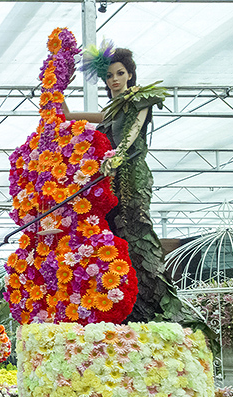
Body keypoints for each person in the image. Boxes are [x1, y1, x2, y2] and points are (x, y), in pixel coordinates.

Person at [64, 45, 182, 323]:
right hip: (110, 179)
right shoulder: (112, 109)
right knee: (117, 235)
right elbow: (75, 117)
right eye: (109, 76)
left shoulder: (140, 99)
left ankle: (159, 305)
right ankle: (130, 305)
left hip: (131, 176)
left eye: (119, 73)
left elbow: (131, 133)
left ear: (130, 74)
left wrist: (116, 157)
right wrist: (59, 92)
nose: (114, 79)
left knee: (137, 232)